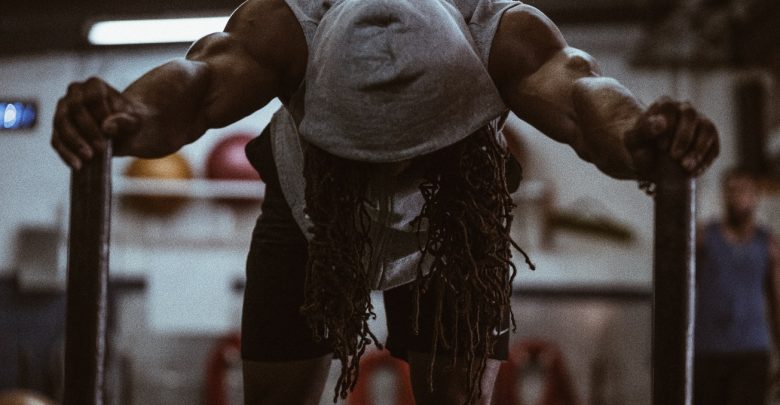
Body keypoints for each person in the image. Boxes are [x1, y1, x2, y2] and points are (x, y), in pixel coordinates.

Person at [50, 0, 720, 403]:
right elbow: (197, 88)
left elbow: (580, 95)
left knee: (454, 395)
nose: (387, 175)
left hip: (457, 212)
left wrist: (640, 134)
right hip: (311, 209)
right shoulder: (292, 24)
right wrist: (125, 114)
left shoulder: (495, 31)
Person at [694, 168, 780, 405]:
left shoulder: (768, 244)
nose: (738, 196)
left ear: (755, 196)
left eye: (745, 191)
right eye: (732, 190)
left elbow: (776, 300)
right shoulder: (703, 238)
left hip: (752, 351)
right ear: (724, 195)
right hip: (708, 350)